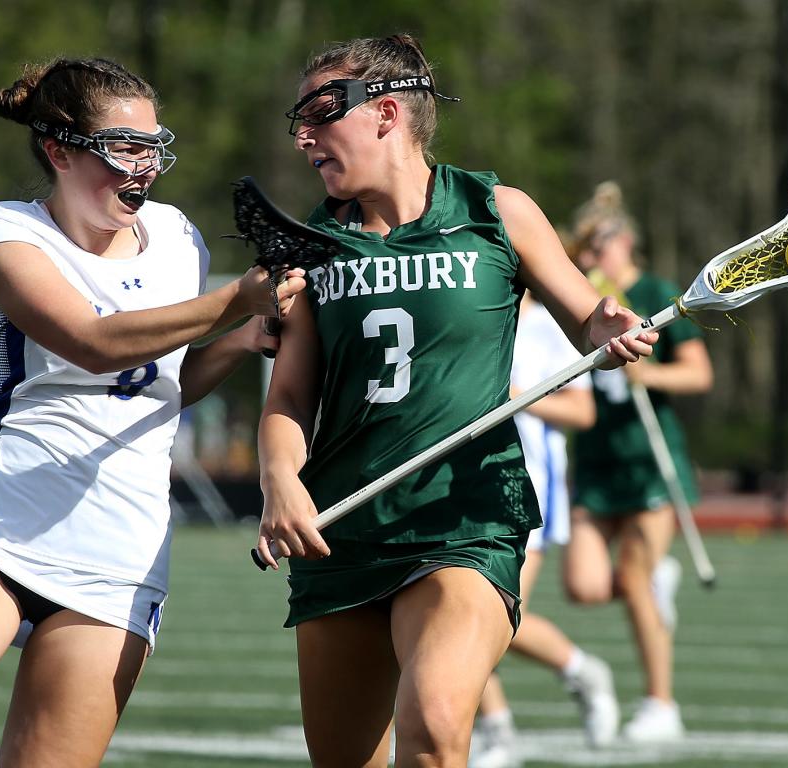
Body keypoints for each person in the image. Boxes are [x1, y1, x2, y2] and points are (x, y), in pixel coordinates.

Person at [257, 34, 657, 768]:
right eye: (299, 117)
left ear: (385, 113)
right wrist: (281, 479)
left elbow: (585, 318)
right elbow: (287, 394)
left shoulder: (495, 210)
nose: (303, 135)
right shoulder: (311, 246)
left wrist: (610, 326)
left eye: (320, 112)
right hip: (342, 528)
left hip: (465, 518)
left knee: (437, 729)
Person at [0, 57, 304, 767]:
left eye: (154, 147)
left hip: (121, 553)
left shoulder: (178, 237)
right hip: (1, 528)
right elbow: (92, 345)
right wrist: (235, 302)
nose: (145, 166)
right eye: (124, 148)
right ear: (59, 151)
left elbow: (159, 386)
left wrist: (241, 341)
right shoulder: (4, 233)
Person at [565, 182, 713, 743]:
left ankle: (660, 703)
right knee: (583, 583)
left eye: (598, 244)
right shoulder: (582, 298)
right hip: (598, 461)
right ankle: (656, 582)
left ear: (625, 240)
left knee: (631, 573)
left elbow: (699, 374)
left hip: (650, 460)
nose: (590, 256)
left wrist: (646, 372)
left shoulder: (656, 290)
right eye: (584, 247)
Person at [470, 286, 618, 768]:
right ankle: (498, 733)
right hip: (461, 486)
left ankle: (579, 671)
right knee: (450, 619)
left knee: (497, 623)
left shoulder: (550, 325)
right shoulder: (470, 308)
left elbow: (582, 410)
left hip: (526, 487)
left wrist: (514, 397)